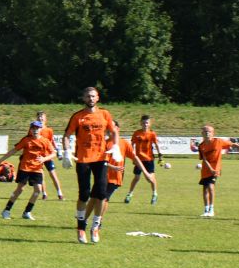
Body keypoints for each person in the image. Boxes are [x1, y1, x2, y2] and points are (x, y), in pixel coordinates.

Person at [62, 87, 119, 243]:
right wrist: (66, 151)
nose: (91, 99)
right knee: (84, 194)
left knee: (102, 193)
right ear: (83, 98)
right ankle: (81, 228)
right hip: (83, 159)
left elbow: (114, 132)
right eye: (88, 96)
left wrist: (115, 146)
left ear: (98, 98)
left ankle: (95, 226)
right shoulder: (78, 116)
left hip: (101, 158)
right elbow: (66, 135)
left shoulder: (105, 114)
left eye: (93, 96)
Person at [97, 123, 152, 238]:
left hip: (115, 178)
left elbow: (135, 157)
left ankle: (98, 221)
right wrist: (112, 166)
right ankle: (94, 219)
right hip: (102, 175)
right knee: (98, 199)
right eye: (108, 127)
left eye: (112, 127)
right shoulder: (104, 143)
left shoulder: (124, 143)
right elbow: (101, 162)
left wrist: (146, 172)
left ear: (118, 129)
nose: (109, 129)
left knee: (104, 198)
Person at [0, 121, 56, 220]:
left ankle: (27, 212)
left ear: (41, 129)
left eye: (37, 128)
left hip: (37, 169)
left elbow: (53, 153)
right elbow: (13, 150)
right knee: (20, 189)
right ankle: (6, 210)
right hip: (25, 168)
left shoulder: (45, 141)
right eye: (33, 128)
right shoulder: (26, 140)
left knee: (38, 190)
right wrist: (0, 160)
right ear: (30, 129)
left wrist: (44, 159)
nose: (35, 130)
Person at [196, 124, 239, 217]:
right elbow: (204, 159)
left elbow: (232, 144)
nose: (207, 133)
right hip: (206, 170)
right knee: (205, 189)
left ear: (213, 133)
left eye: (209, 131)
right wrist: (210, 169)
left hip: (216, 169)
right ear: (202, 133)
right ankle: (206, 210)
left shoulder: (218, 141)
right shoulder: (201, 146)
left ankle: (211, 210)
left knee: (210, 186)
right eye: (205, 131)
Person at [125, 114, 162, 204]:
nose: (145, 124)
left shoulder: (152, 133)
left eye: (147, 123)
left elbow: (156, 144)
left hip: (149, 159)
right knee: (136, 177)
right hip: (139, 160)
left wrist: (160, 155)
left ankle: (154, 194)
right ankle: (129, 194)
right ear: (140, 123)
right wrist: (133, 156)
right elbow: (132, 145)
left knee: (151, 179)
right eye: (144, 123)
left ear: (149, 124)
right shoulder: (136, 133)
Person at [34, 111, 64, 200]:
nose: (40, 118)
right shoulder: (34, 129)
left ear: (45, 119)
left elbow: (52, 142)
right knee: (41, 174)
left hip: (47, 156)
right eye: (39, 117)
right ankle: (44, 194)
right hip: (38, 156)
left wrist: (57, 151)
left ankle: (60, 193)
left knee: (53, 174)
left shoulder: (49, 130)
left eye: (42, 116)